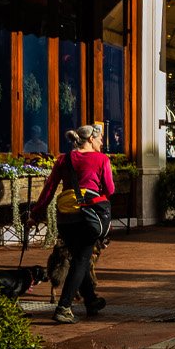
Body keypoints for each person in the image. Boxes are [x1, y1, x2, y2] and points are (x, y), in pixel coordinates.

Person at [31, 124, 113, 324]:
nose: (102, 142)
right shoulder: (101, 159)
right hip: (87, 217)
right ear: (91, 139)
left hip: (65, 218)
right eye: (100, 139)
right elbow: (110, 189)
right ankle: (64, 306)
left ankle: (91, 301)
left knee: (78, 258)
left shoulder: (64, 159)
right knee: (81, 261)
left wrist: (36, 214)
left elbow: (50, 188)